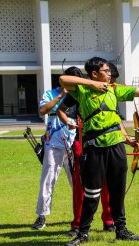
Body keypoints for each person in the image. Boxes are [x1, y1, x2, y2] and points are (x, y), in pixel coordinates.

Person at [60, 57, 139, 245]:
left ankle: (121, 229)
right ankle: (83, 233)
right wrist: (92, 84)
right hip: (95, 147)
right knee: (92, 193)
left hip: (116, 146)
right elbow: (64, 80)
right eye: (106, 71)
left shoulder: (114, 89)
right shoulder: (82, 89)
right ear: (94, 73)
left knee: (117, 191)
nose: (110, 74)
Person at [56, 66, 115, 237]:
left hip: (102, 141)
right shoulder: (77, 93)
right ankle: (77, 224)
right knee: (81, 185)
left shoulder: (100, 92)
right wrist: (68, 122)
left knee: (106, 182)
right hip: (82, 144)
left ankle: (109, 219)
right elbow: (60, 109)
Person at [31, 83, 76, 230]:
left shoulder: (79, 94)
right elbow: (42, 110)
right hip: (53, 144)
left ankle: (80, 216)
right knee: (47, 181)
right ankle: (41, 216)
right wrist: (61, 96)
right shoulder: (51, 94)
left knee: (78, 183)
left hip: (74, 144)